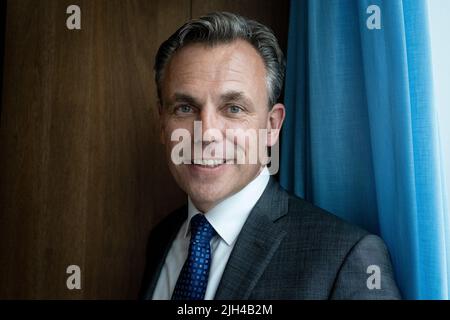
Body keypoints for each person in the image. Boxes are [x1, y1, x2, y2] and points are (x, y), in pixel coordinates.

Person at [139, 12, 401, 300]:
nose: (207, 133)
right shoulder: (162, 238)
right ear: (162, 123)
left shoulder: (347, 260)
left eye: (234, 108)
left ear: (272, 126)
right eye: (185, 108)